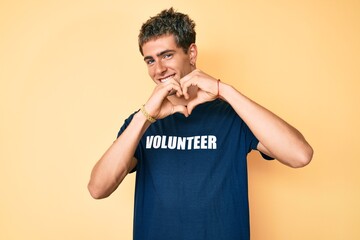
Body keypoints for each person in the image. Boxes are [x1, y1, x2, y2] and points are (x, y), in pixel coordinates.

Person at [88, 7, 313, 240]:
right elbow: (98, 188)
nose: (158, 69)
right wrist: (145, 116)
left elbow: (300, 155)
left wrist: (223, 90)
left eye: (167, 55)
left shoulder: (233, 115)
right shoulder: (141, 123)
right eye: (150, 60)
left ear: (191, 53)